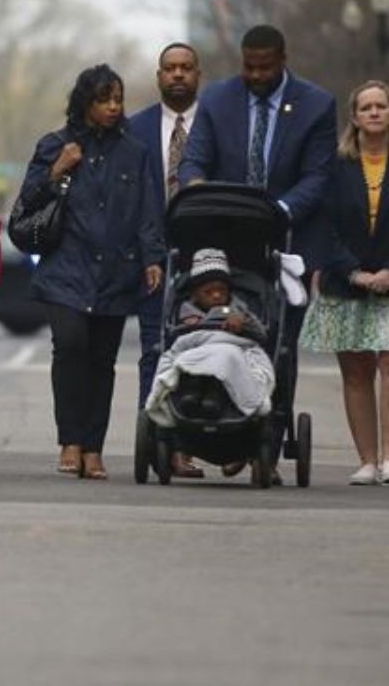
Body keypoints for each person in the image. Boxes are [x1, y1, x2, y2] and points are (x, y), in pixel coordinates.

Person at [176, 24, 336, 442]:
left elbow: (318, 177)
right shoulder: (216, 99)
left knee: (279, 341)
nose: (258, 76)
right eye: (250, 67)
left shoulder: (316, 105)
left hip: (286, 242)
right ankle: (214, 417)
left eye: (266, 67)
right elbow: (195, 159)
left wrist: (276, 212)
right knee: (217, 331)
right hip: (225, 242)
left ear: (283, 61)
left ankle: (269, 430)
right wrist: (194, 188)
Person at [18, 64, 163, 480]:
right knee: (70, 344)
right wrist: (56, 170)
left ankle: (94, 448)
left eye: (118, 99)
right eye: (104, 100)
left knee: (102, 360)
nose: (114, 107)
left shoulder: (134, 152)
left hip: (116, 269)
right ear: (85, 103)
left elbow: (147, 209)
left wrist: (152, 257)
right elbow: (27, 200)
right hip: (66, 266)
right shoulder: (55, 144)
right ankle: (71, 440)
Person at [303, 80, 389, 487]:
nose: (374, 113)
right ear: (354, 117)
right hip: (347, 280)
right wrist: (353, 271)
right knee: (357, 370)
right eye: (366, 107)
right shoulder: (335, 166)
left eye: (381, 106)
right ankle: (366, 459)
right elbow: (326, 224)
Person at [124, 41, 204, 477]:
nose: (177, 75)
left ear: (197, 75)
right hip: (151, 259)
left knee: (200, 345)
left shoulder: (214, 126)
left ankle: (194, 442)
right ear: (158, 76)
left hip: (207, 257)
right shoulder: (134, 129)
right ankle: (156, 441)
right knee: (155, 347)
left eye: (185, 68)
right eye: (169, 68)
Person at [145, 248, 277, 457]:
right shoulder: (186, 310)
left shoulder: (238, 309)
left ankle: (216, 398)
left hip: (231, 352)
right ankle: (191, 394)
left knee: (227, 357)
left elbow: (260, 336)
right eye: (209, 292)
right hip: (195, 352)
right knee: (187, 361)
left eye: (221, 291)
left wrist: (244, 323)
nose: (216, 296)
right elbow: (177, 341)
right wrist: (192, 327)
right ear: (196, 293)